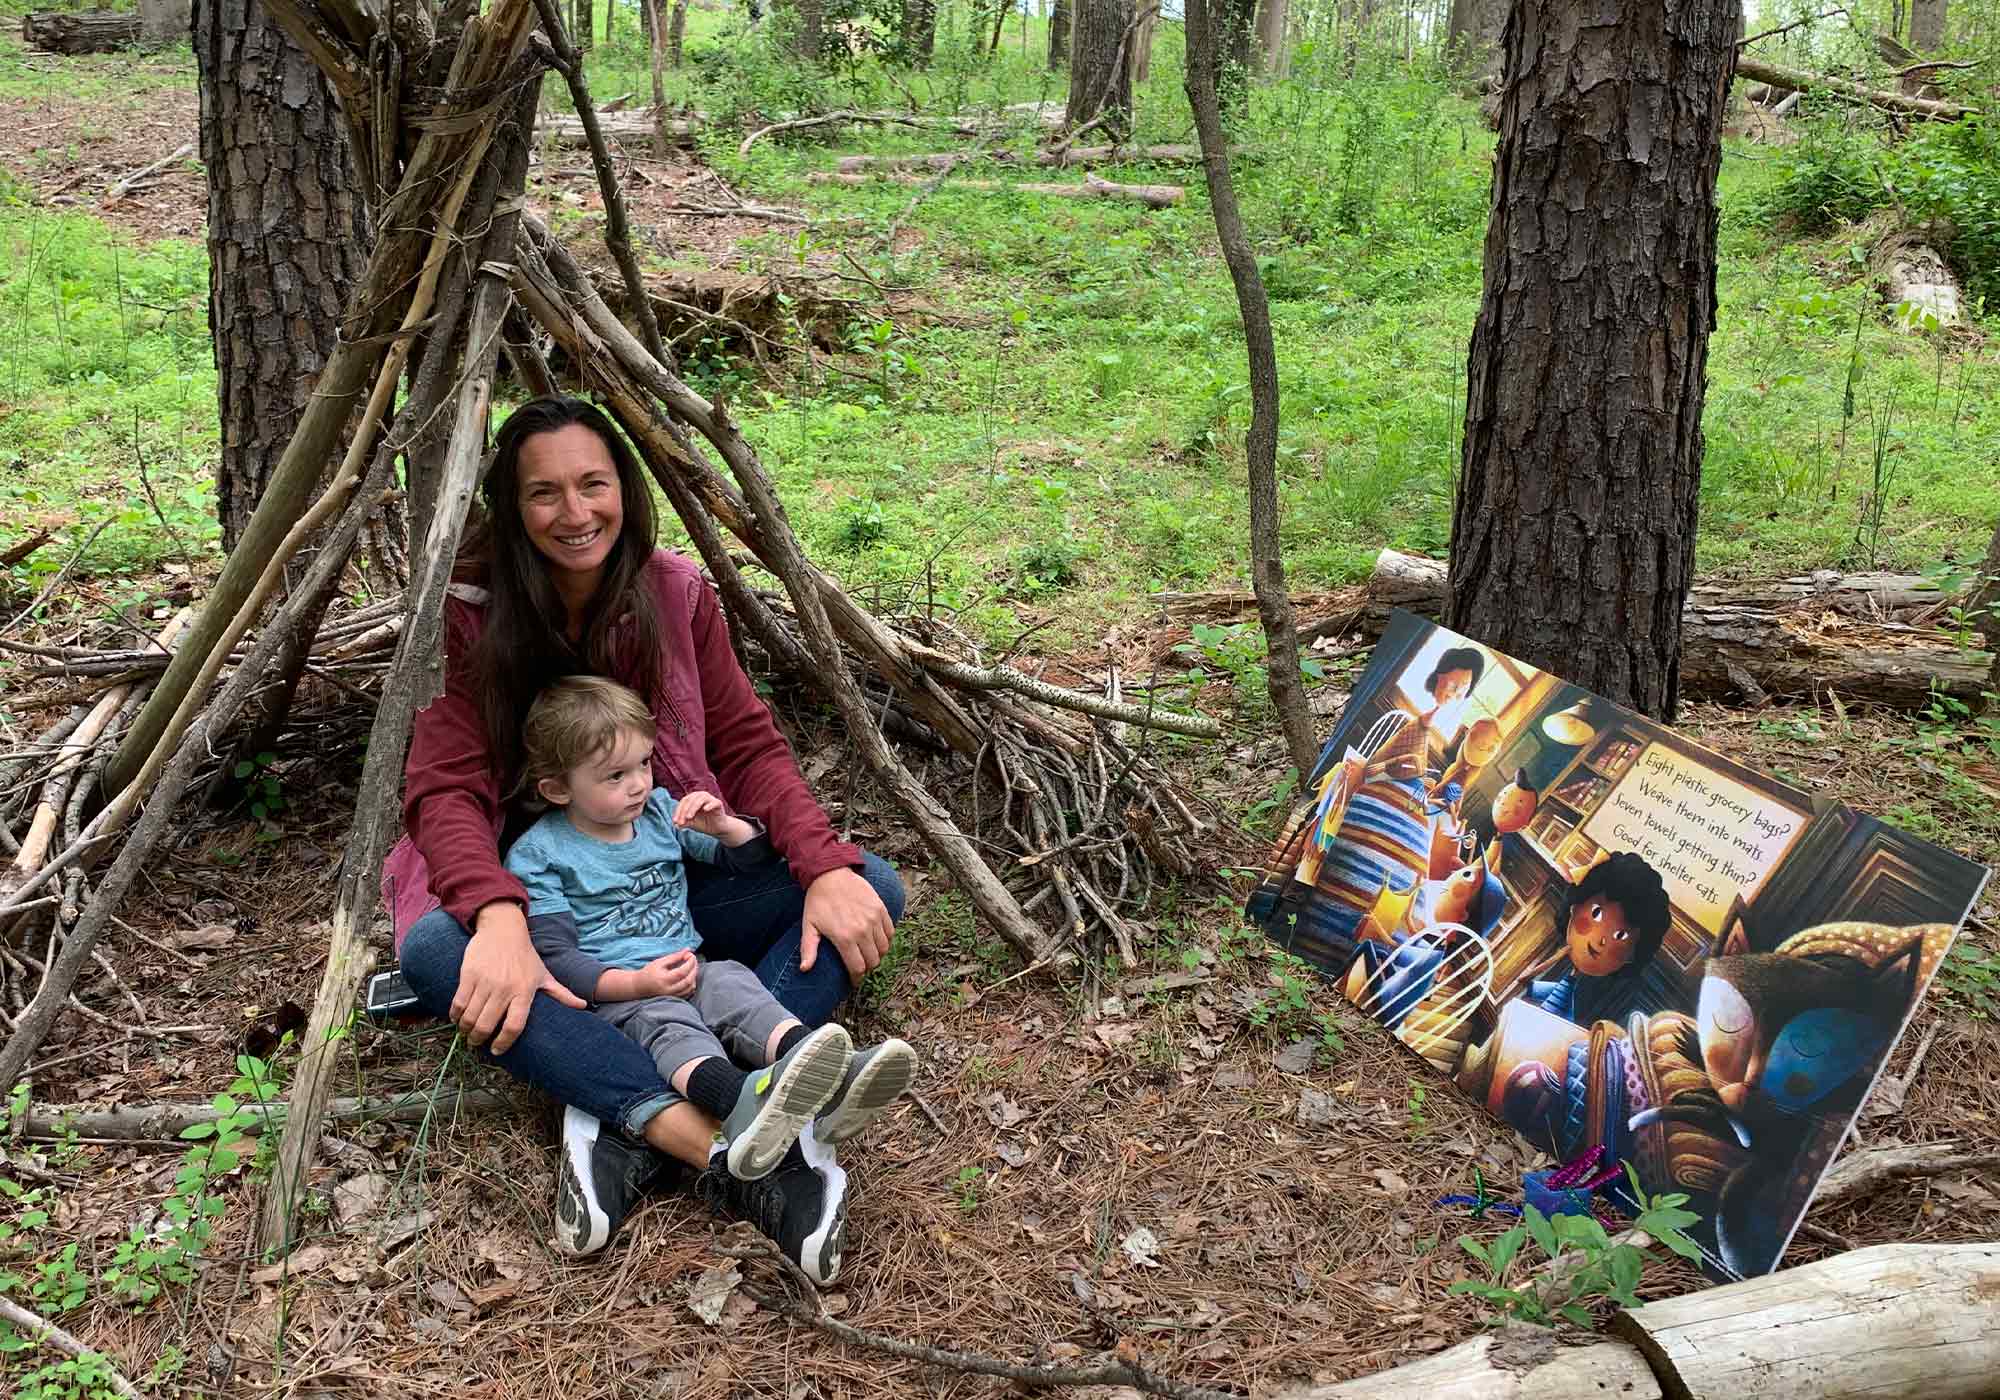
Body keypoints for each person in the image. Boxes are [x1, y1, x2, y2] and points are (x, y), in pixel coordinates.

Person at [382, 395, 906, 1273]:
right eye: (544, 493)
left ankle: (617, 1101)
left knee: (867, 884)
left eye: (594, 484)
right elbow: (444, 787)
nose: (575, 512)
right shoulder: (471, 607)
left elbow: (743, 740)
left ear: (626, 487)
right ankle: (721, 1145)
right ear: (511, 507)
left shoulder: (671, 590)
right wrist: (500, 918)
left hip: (656, 879)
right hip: (540, 897)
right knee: (438, 950)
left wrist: (818, 862)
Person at [505, 675, 917, 1280]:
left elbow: (744, 861)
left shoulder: (657, 815)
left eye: (643, 764)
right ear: (557, 788)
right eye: (614, 777)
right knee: (672, 1029)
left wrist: (724, 826)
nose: (639, 784)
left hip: (693, 962)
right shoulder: (541, 855)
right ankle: (738, 1101)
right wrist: (634, 985)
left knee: (734, 988)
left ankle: (821, 1070)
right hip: (628, 993)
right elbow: (558, 958)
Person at [1519, 851, 1670, 1026]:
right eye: (1596, 914)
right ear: (1574, 908)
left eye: (1620, 935)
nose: (1601, 941)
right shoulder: (1563, 973)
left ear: (1630, 956)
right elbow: (1524, 981)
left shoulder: (1602, 1000)